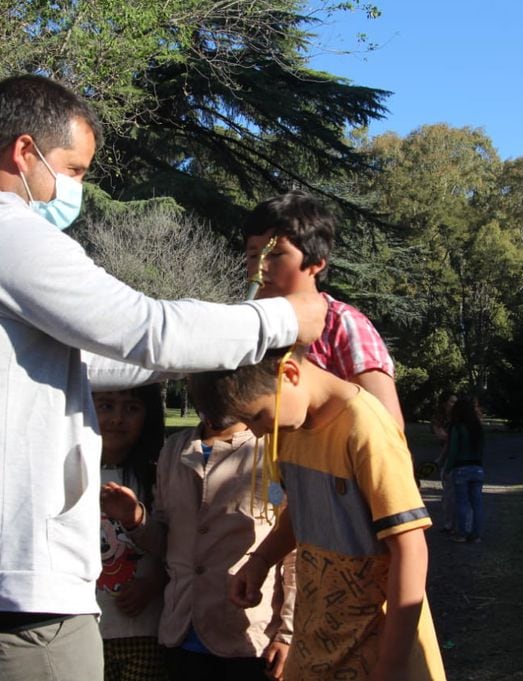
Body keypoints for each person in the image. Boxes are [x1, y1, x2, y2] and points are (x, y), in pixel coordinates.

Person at [0, 74, 325, 681]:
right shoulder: (0, 233)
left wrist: (201, 350)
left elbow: (94, 359)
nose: (77, 188)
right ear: (24, 152)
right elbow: (142, 327)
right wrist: (278, 318)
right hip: (6, 590)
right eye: (76, 169)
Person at [189, 347, 446, 680]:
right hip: (316, 649)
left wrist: (392, 664)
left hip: (378, 652)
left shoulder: (365, 429)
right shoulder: (289, 428)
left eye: (256, 416)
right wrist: (261, 560)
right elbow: (300, 511)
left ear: (290, 375)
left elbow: (411, 548)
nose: (256, 432)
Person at [100, 383, 294, 681]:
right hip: (180, 635)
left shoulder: (272, 450)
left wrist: (288, 633)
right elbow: (167, 544)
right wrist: (135, 518)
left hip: (247, 637)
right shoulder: (174, 449)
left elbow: (294, 549)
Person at [242, 190, 405, 430]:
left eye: (275, 254)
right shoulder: (251, 328)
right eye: (253, 255)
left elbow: (387, 426)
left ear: (317, 263)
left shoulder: (342, 324)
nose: (259, 267)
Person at [93, 385, 168, 681]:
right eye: (106, 405)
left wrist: (156, 583)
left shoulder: (159, 474)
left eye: (132, 408)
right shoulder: (68, 471)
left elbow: (179, 545)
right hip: (81, 631)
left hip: (144, 632)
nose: (117, 419)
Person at [443, 396, 484, 544]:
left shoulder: (457, 427)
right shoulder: (477, 428)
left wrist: (448, 468)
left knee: (462, 502)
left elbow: (453, 450)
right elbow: (481, 450)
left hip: (461, 468)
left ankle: (462, 534)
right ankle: (477, 535)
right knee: (477, 503)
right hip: (478, 468)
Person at [432, 392, 458, 533]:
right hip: (447, 458)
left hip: (455, 458)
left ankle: (455, 523)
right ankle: (449, 522)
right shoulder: (440, 419)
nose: (454, 405)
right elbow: (442, 436)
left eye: (456, 402)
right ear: (444, 403)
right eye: (451, 402)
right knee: (448, 493)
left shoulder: (460, 418)